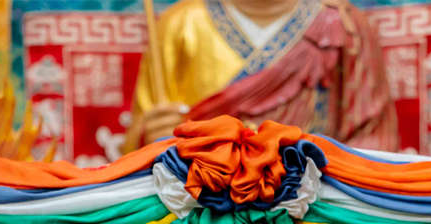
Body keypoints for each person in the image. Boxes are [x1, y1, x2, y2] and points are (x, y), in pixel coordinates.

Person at [123, 0, 398, 152]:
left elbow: (373, 138)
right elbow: (138, 144)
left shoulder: (343, 26)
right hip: (204, 199)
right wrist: (154, 137)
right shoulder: (179, 24)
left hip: (314, 202)